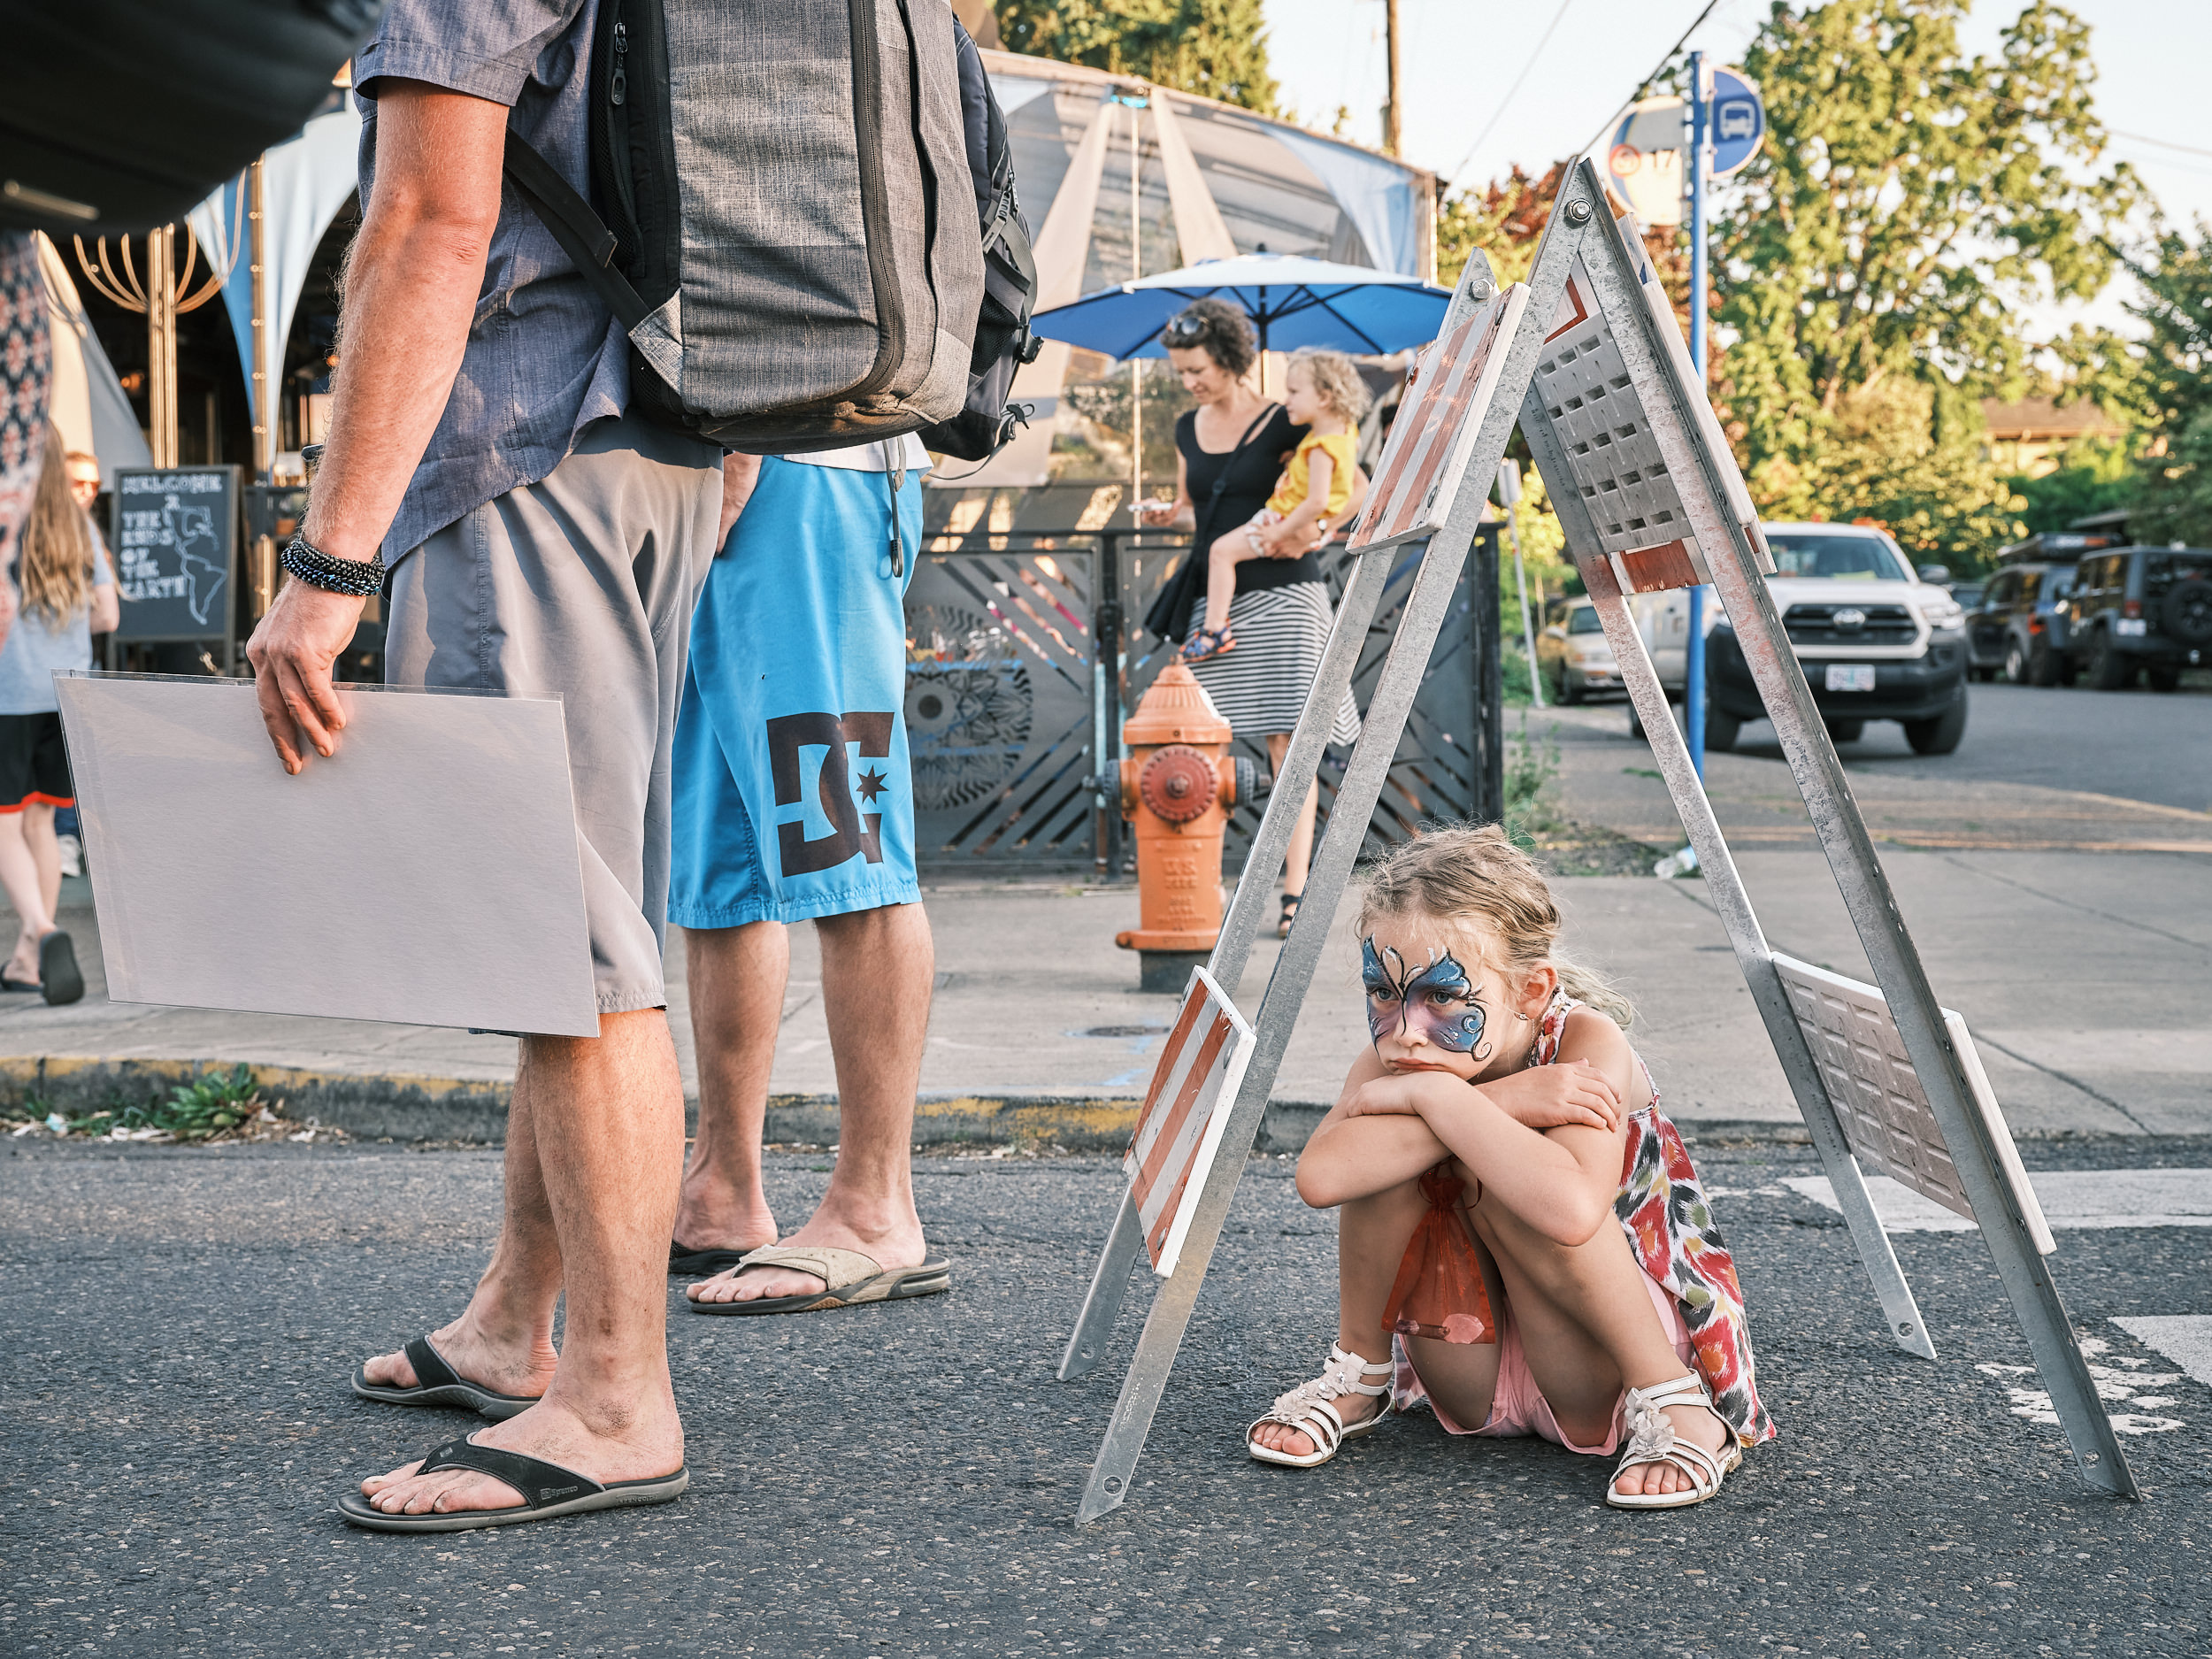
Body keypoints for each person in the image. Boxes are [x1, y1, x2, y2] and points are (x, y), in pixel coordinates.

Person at [245, 0, 725, 1532]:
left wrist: (330, 563)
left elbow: (431, 221)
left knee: (569, 942)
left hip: (523, 436)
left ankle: (615, 1396)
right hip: (676, 432)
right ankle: (521, 1317)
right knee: (581, 919)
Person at [1245, 825, 1773, 1509]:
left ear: (1530, 991)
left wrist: (1438, 1100)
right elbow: (1323, 1176)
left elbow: (1572, 1210)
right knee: (1390, 1156)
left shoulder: (1584, 1044)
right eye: (1383, 991)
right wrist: (1480, 1097)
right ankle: (1359, 1375)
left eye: (1442, 996)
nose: (1405, 1027)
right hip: (1472, 1373)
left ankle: (1682, 1409)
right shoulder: (1407, 1060)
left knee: (1503, 1172)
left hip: (1606, 1376)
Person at [666, 435, 949, 1315]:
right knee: (719, 867)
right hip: (725, 467)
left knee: (842, 845)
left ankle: (874, 1209)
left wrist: (747, 440)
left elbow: (784, 291)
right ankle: (722, 1186)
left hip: (801, 464)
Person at [1134, 301, 1363, 939]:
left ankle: (1294, 890)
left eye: (1198, 369)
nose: (1190, 382)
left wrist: (1318, 532)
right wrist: (1165, 513)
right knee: (1198, 738)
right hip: (1219, 598)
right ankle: (1207, 874)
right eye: (1180, 372)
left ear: (1232, 360)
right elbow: (1196, 510)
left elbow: (1355, 482)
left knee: (1288, 746)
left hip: (1287, 596)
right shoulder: (1186, 428)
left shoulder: (1284, 418)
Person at [0, 425, 112, 1004]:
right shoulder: (78, 524)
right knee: (41, 824)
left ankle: (44, 931)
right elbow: (107, 616)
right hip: (66, 692)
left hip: (9, 695)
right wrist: (60, 631)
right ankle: (26, 959)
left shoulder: (4, 523)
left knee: (3, 827)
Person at [1183, 348, 1369, 665]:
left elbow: (1319, 500)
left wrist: (1282, 530)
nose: (1287, 400)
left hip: (1281, 520)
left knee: (1221, 552)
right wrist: (1298, 461)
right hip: (1306, 527)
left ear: (1324, 397)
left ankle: (1214, 630)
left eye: (1294, 392)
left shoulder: (1320, 448)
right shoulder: (1343, 434)